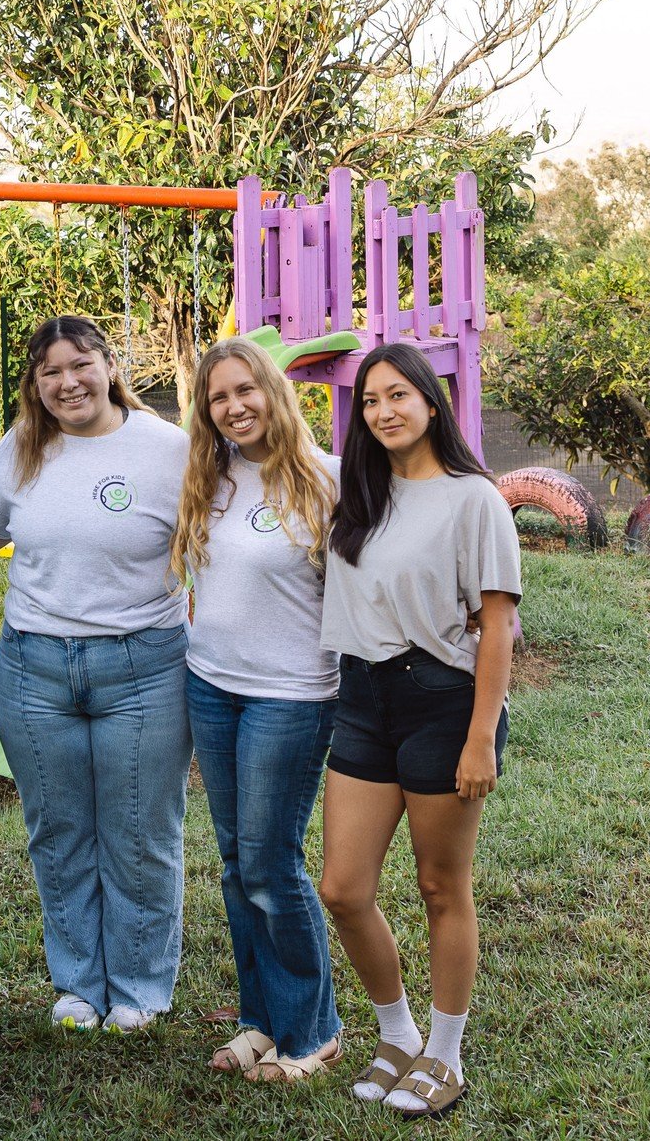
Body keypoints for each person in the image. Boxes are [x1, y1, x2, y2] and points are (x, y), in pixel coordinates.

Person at [318, 342, 520, 1119]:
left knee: (440, 886)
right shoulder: (356, 490)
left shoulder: (473, 498)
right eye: (369, 400)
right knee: (342, 888)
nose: (383, 411)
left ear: (431, 402)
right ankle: (397, 1034)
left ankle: (444, 1053)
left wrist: (480, 735)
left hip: (441, 700)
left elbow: (495, 625)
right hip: (361, 698)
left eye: (397, 394)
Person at [0, 314, 192, 1033]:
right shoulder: (17, 449)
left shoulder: (168, 448)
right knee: (58, 831)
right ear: (34, 383)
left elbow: (214, 537)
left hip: (144, 666)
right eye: (50, 371)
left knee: (140, 833)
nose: (67, 382)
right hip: (33, 668)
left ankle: (137, 987)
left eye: (80, 364)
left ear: (109, 365)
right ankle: (77, 984)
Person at [173, 338, 342, 1081]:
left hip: (292, 694)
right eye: (218, 396)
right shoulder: (207, 479)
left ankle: (312, 1030)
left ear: (273, 390)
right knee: (237, 864)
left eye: (246, 389)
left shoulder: (329, 479)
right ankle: (260, 1020)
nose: (234, 406)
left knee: (272, 864)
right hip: (211, 685)